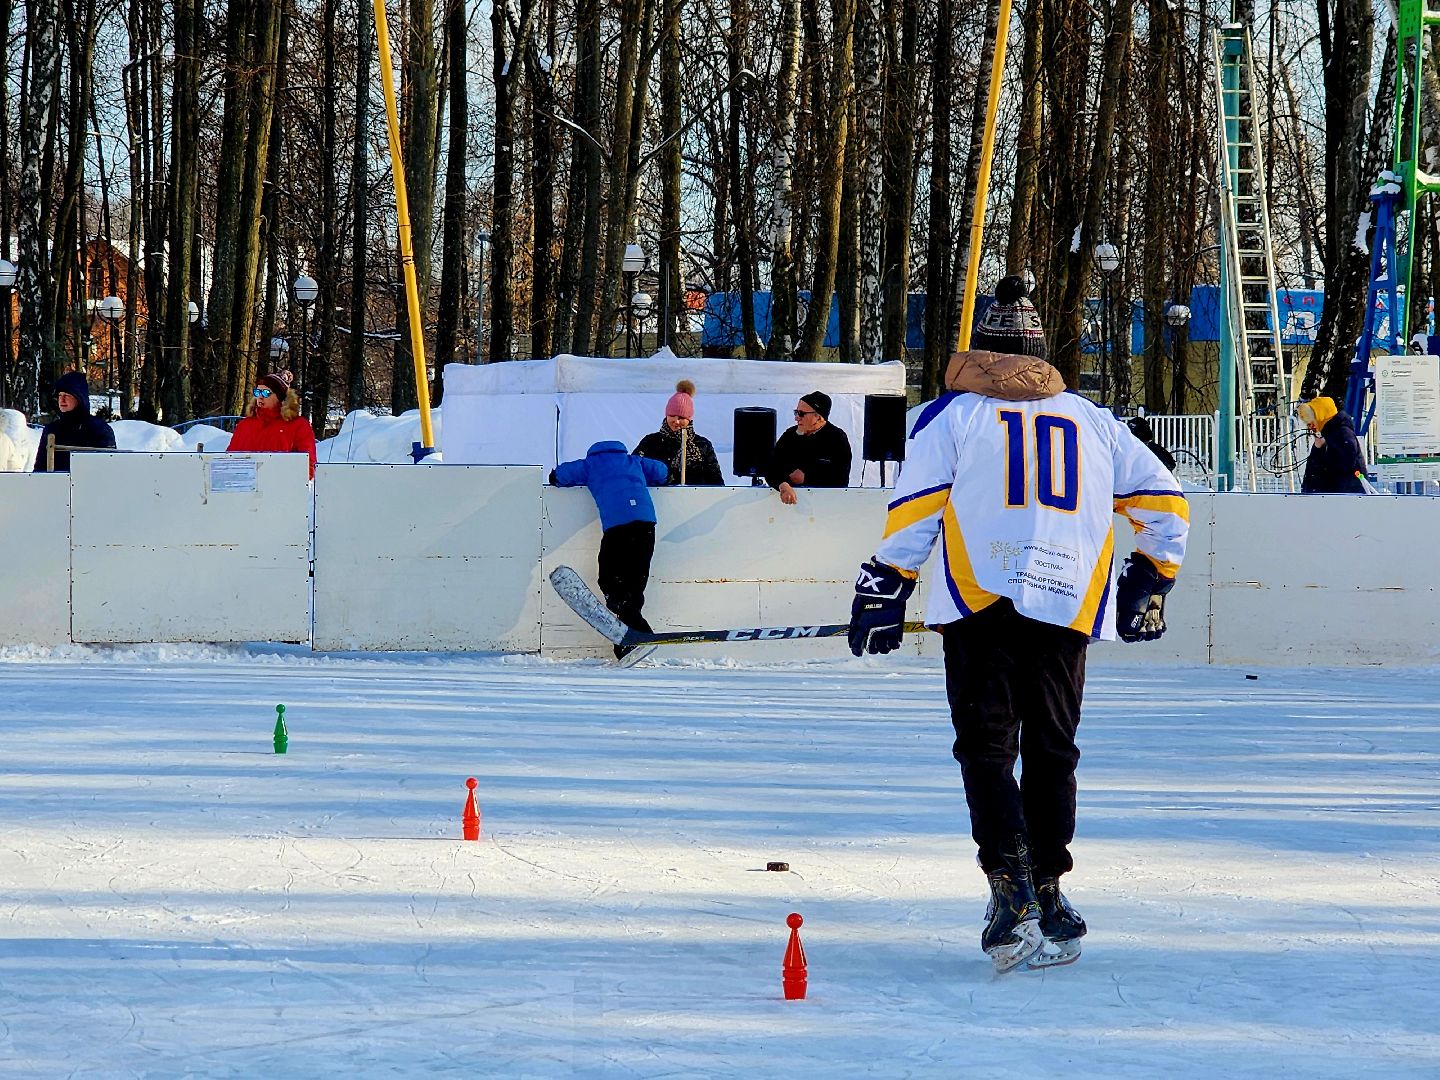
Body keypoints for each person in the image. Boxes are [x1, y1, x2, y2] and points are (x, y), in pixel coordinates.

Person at [847, 277, 1189, 974]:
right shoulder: (1094, 421)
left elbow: (916, 508)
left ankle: (1011, 889)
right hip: (1065, 604)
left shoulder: (954, 415)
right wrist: (1152, 575)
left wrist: (887, 582)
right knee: (1054, 749)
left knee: (987, 748)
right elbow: (1167, 503)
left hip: (981, 600)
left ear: (982, 355)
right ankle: (1052, 888)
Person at [550, 441, 669, 659]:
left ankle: (637, 634)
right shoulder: (634, 461)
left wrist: (554, 477)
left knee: (609, 579)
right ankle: (629, 639)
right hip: (646, 525)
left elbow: (561, 475)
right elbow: (662, 472)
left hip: (618, 528)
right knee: (635, 582)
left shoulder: (591, 464)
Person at [227, 369, 318, 479]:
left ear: (280, 397)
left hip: (282, 489)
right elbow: (229, 461)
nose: (260, 397)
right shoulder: (244, 425)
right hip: (246, 490)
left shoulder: (298, 426)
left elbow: (308, 466)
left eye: (265, 393)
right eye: (257, 392)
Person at [765, 390, 852, 504]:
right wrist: (783, 485)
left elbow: (840, 479)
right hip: (788, 507)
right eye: (796, 412)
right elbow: (770, 467)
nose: (797, 418)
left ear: (819, 417)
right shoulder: (790, 435)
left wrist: (807, 478)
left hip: (824, 505)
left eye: (801, 414)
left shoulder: (837, 438)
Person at [633, 379, 723, 486]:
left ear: (689, 419)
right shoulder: (650, 442)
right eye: (671, 416)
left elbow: (716, 482)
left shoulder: (703, 445)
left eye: (681, 417)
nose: (676, 421)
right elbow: (633, 470)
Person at [32, 371, 116, 473]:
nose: (62, 400)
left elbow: (109, 468)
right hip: (55, 487)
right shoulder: (52, 429)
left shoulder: (99, 429)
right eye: (60, 395)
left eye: (67, 395)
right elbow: (39, 471)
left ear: (79, 397)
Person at [1298, 396, 1366, 494]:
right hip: (1329, 497)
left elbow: (1342, 467)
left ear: (1321, 418)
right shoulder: (1326, 436)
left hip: (1343, 498)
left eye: (1311, 423)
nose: (1311, 428)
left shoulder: (1342, 434)